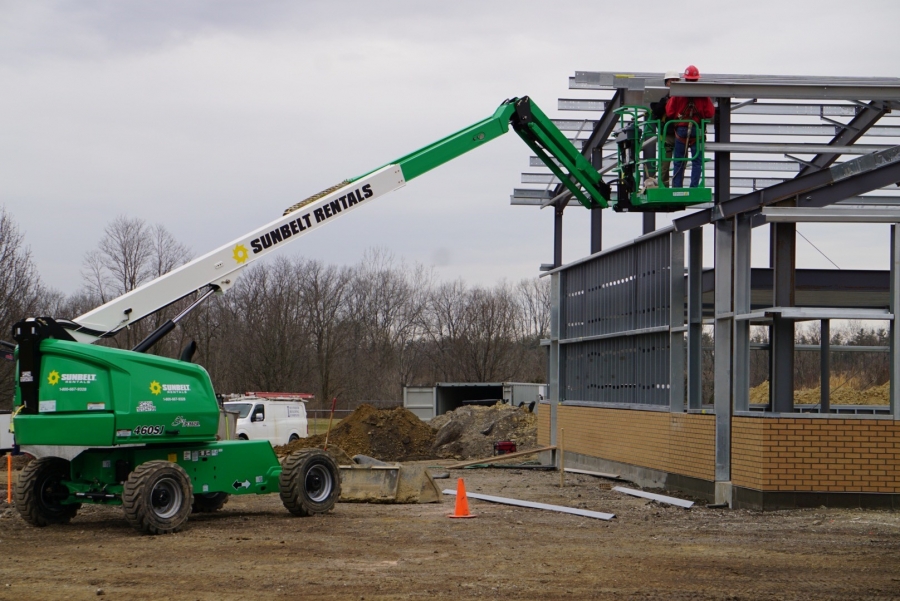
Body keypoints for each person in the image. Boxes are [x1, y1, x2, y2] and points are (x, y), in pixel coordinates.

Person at [666, 65, 715, 188]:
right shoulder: (703, 95)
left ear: (685, 78)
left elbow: (670, 112)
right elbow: (709, 113)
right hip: (697, 129)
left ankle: (677, 187)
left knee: (679, 161)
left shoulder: (678, 93)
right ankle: (694, 187)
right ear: (697, 79)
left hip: (681, 130)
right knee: (697, 161)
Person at [649, 70, 680, 187]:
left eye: (676, 80)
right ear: (666, 83)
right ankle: (664, 186)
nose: (674, 83)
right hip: (667, 135)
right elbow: (656, 111)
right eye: (671, 81)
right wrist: (665, 102)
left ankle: (677, 186)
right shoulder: (662, 99)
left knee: (680, 162)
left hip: (680, 134)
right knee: (664, 164)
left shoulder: (683, 98)